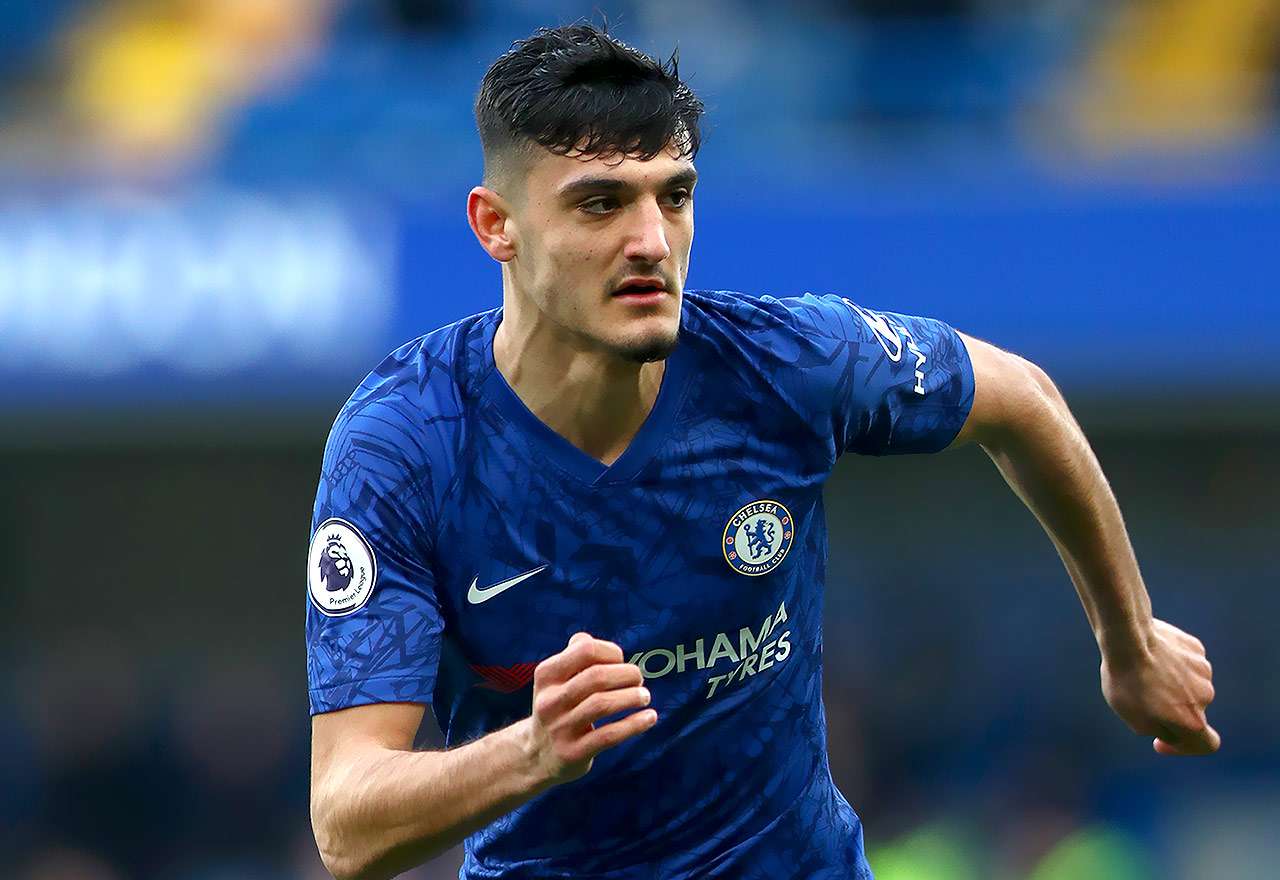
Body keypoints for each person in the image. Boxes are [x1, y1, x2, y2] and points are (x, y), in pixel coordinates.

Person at [305, 23, 1218, 880]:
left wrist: (1129, 641)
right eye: (600, 204)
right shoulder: (406, 445)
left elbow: (1023, 399)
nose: (651, 242)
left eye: (674, 196)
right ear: (495, 224)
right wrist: (530, 752)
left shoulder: (783, 365)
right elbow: (347, 823)